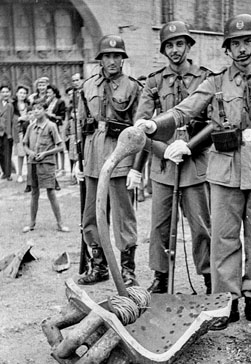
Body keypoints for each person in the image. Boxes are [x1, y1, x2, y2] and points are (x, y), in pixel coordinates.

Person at [136, 13, 251, 329]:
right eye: (236, 43)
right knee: (224, 240)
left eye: (248, 41)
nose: (242, 49)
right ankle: (226, 304)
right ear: (227, 49)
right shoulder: (215, 81)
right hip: (224, 169)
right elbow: (185, 110)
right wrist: (154, 124)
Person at [133, 20, 212, 294]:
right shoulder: (153, 82)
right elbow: (140, 126)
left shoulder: (205, 78)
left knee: (201, 225)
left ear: (189, 46)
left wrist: (190, 145)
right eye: (169, 45)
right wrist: (162, 149)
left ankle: (209, 278)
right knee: (160, 225)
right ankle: (161, 276)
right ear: (163, 50)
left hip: (195, 161)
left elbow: (216, 121)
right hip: (163, 165)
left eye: (180, 44)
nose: (175, 50)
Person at [78, 35, 142, 287]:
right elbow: (81, 125)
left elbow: (139, 129)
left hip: (120, 153)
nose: (112, 61)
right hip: (93, 154)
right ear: (100, 59)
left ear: (123, 59)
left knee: (123, 215)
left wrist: (136, 166)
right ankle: (98, 264)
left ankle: (127, 269)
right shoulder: (87, 86)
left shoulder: (133, 87)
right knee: (92, 212)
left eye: (117, 56)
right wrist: (77, 161)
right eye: (107, 56)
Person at [22, 98, 69, 233]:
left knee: (51, 192)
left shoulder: (51, 126)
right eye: (34, 109)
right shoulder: (31, 127)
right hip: (33, 164)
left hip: (46, 164)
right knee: (34, 193)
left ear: (45, 110)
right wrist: (30, 153)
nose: (36, 111)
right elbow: (24, 144)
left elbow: (60, 147)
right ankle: (31, 223)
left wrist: (45, 153)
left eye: (39, 109)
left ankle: (60, 224)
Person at [0, 84, 15, 181]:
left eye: (7, 92)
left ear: (10, 93)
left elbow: (12, 119)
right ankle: (4, 171)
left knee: (7, 152)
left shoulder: (12, 104)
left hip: (8, 131)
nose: (5, 94)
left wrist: (10, 133)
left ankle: (8, 174)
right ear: (0, 93)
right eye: (3, 92)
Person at [46, 84, 66, 173]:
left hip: (57, 125)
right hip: (50, 127)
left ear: (54, 93)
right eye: (47, 92)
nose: (48, 94)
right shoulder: (47, 102)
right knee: (53, 147)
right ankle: (56, 167)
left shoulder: (60, 102)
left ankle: (62, 168)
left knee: (60, 146)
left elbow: (62, 117)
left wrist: (52, 115)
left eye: (49, 92)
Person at [12, 85, 30, 183]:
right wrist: (19, 119)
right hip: (18, 131)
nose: (22, 95)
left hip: (28, 130)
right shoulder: (13, 105)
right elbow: (10, 119)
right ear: (17, 94)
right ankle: (20, 174)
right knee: (20, 154)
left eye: (24, 93)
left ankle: (29, 173)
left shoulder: (28, 104)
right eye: (21, 93)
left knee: (29, 153)